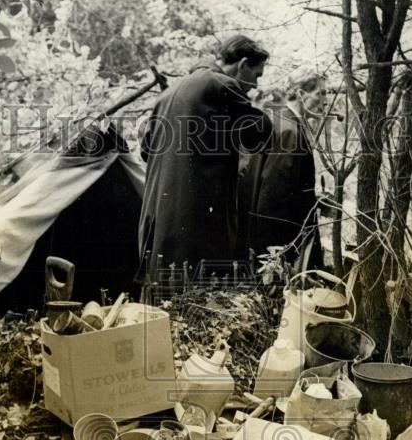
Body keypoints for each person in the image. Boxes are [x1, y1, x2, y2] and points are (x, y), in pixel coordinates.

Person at [137, 35, 273, 286]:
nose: (255, 85)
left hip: (158, 227)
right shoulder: (220, 85)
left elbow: (145, 150)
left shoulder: (168, 94)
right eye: (256, 75)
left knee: (164, 307)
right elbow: (259, 133)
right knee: (197, 308)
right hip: (194, 230)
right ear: (243, 64)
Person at [236, 74, 326, 271]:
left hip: (257, 233)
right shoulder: (289, 130)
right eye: (321, 93)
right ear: (301, 94)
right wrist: (276, 257)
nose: (326, 101)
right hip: (275, 243)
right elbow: (274, 195)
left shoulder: (278, 119)